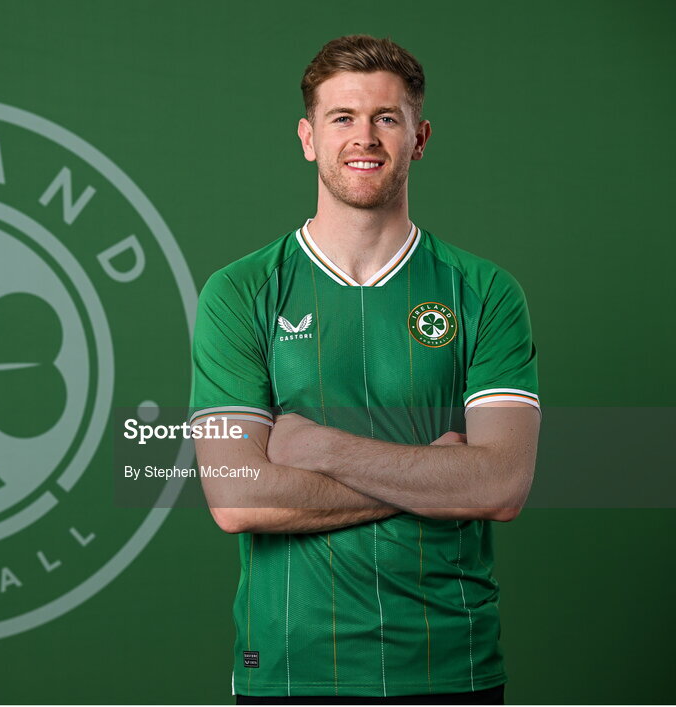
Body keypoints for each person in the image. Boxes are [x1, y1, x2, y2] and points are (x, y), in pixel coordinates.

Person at [189, 35, 540, 705]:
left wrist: (319, 447)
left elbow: (501, 482)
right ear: (308, 138)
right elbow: (240, 498)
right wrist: (435, 477)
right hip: (290, 667)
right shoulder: (240, 292)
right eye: (342, 117)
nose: (365, 137)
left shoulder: (486, 292)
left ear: (420, 136)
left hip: (450, 661)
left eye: (386, 117)